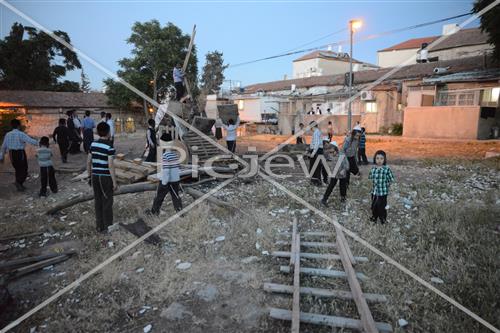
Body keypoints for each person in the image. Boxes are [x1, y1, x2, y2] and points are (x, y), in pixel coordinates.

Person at [87, 122, 118, 233]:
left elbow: (88, 161)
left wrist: (89, 175)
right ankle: (107, 227)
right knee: (107, 202)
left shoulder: (93, 144)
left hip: (95, 176)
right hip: (105, 177)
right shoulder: (109, 147)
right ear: (108, 132)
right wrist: (114, 182)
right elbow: (110, 165)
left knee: (98, 201)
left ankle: (99, 226)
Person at [0, 119, 38, 191]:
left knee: (17, 169)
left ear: (11, 126)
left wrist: (1, 157)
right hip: (20, 153)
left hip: (11, 154)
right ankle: (18, 182)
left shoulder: (7, 134)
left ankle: (19, 184)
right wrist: (40, 143)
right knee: (24, 169)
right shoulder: (21, 134)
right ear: (18, 126)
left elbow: (3, 146)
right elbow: (30, 140)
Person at [150, 133, 183, 214]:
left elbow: (166, 171)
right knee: (175, 195)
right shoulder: (175, 155)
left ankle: (154, 211)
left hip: (167, 180)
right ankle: (179, 211)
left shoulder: (165, 156)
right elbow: (177, 167)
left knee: (159, 196)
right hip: (175, 180)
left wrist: (164, 182)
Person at [368, 150, 395, 224]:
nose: (379, 160)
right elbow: (370, 179)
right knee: (374, 206)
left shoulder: (386, 169)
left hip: (383, 192)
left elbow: (391, 179)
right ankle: (374, 217)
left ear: (384, 159)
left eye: (381, 158)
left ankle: (383, 219)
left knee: (382, 207)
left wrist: (388, 186)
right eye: (377, 158)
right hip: (374, 192)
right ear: (374, 159)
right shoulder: (373, 169)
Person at [321, 141, 349, 206]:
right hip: (334, 173)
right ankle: (324, 199)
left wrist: (344, 170)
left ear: (336, 149)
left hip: (342, 174)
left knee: (343, 187)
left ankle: (343, 199)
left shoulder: (342, 155)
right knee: (331, 186)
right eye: (330, 152)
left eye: (332, 152)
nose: (331, 153)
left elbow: (347, 165)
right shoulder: (331, 155)